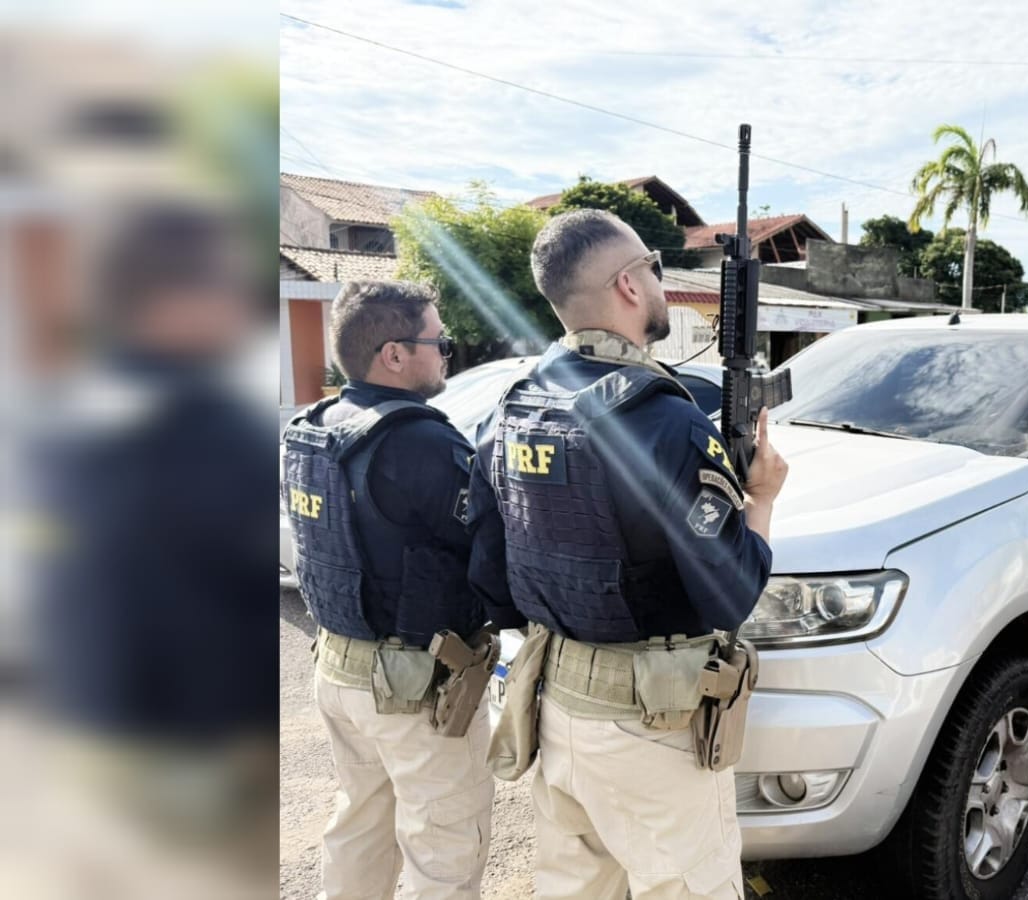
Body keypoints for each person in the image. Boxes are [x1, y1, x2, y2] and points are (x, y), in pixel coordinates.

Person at [468, 209, 787, 899]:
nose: (661, 282)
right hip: (650, 726)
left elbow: (490, 577)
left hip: (554, 704)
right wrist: (761, 498)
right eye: (655, 267)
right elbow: (732, 593)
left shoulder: (511, 407)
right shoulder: (663, 419)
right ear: (628, 286)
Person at [281, 280, 493, 899]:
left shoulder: (311, 426)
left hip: (338, 666)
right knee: (444, 851)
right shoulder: (419, 440)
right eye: (439, 341)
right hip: (412, 685)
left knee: (359, 827)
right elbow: (484, 548)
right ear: (395, 354)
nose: (447, 353)